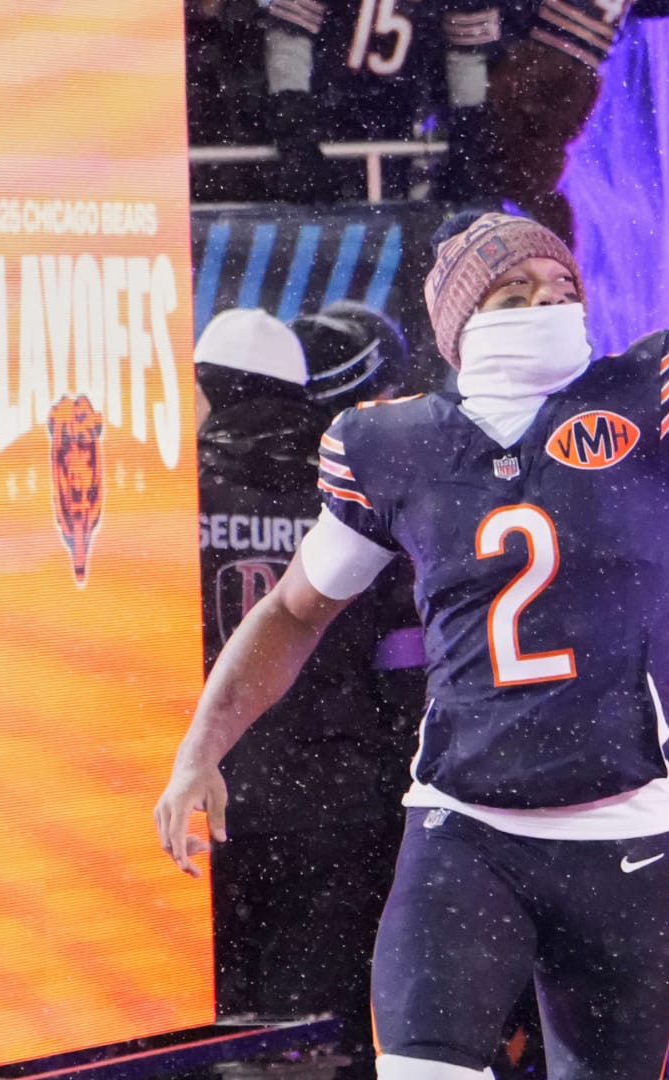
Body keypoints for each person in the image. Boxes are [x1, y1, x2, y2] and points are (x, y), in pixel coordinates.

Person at [157, 22, 669, 1078]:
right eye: (518, 297)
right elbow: (291, 611)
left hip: (621, 842)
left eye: (563, 291)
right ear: (462, 326)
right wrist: (202, 745)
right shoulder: (398, 442)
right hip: (463, 832)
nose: (551, 307)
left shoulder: (653, 401)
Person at [193, 305, 419, 1076]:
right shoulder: (349, 496)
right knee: (319, 1025)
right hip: (335, 807)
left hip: (209, 804)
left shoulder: (167, 500)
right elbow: (405, 664)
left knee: (219, 1025)